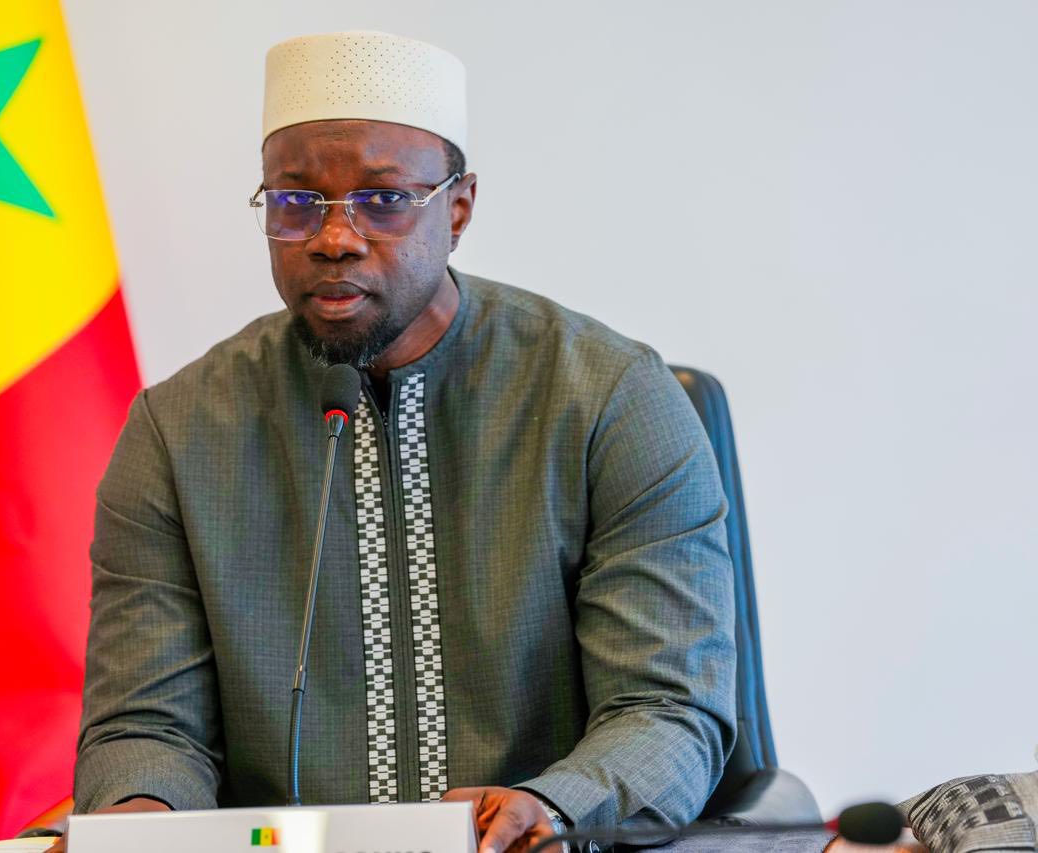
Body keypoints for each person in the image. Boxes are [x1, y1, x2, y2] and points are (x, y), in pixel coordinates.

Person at [51, 31, 741, 853]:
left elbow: (667, 707)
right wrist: (137, 819)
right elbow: (148, 724)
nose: (333, 237)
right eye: (295, 202)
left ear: (459, 209)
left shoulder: (607, 399)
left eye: (383, 200)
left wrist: (556, 804)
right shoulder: (179, 431)